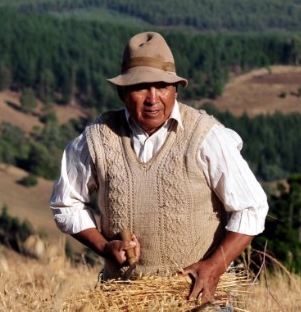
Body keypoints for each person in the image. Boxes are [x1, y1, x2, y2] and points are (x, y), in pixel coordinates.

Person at [49, 31, 268, 304]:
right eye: (141, 87)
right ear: (123, 92)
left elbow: (252, 208)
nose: (153, 98)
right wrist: (105, 247)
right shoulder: (97, 139)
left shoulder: (206, 136)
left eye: (162, 86)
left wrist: (214, 267)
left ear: (175, 89)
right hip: (126, 297)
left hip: (196, 295)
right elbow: (66, 203)